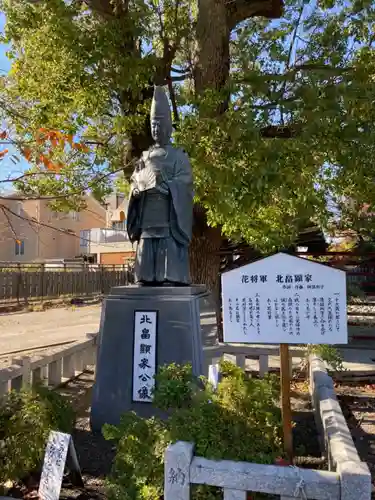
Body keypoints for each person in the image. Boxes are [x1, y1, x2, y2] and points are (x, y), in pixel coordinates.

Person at [126, 86, 194, 286]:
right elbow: (135, 180)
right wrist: (136, 191)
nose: (156, 129)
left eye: (160, 124)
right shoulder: (144, 157)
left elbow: (186, 182)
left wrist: (171, 187)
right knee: (146, 244)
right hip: (148, 213)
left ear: (169, 126)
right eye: (153, 125)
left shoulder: (179, 156)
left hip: (169, 214)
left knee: (168, 244)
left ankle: (170, 277)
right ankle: (146, 276)